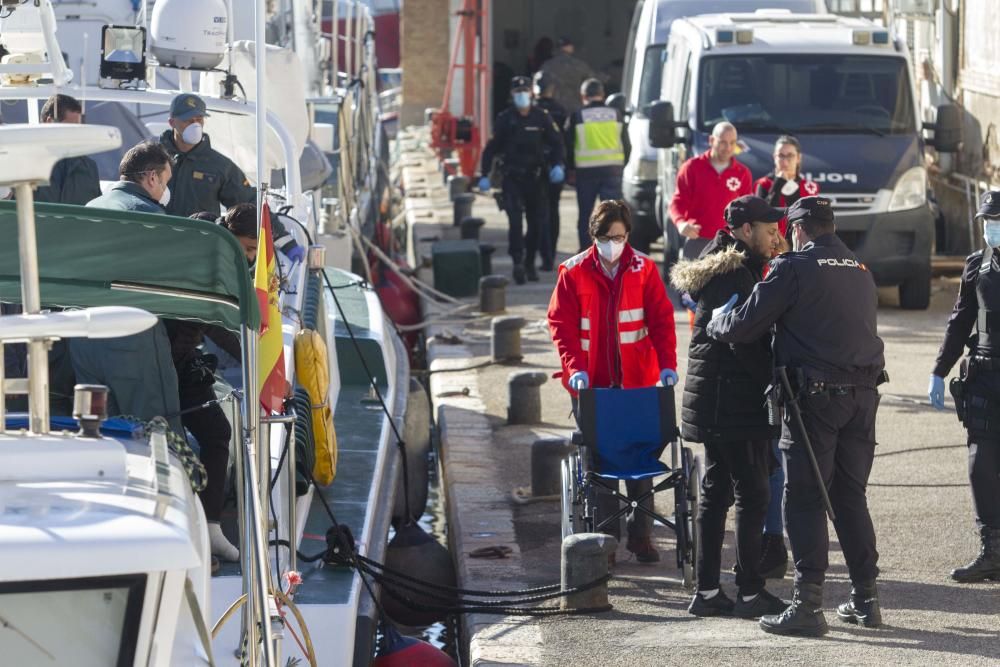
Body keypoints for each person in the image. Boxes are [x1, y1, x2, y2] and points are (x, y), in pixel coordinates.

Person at [707, 196, 886, 636]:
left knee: (804, 497)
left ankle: (808, 605)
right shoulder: (861, 271)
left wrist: (716, 323)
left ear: (800, 229)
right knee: (849, 497)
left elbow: (746, 324)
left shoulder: (793, 267)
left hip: (815, 402)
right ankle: (866, 599)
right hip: (863, 399)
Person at [670, 195, 785, 618]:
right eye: (768, 230)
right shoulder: (732, 273)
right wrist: (774, 381)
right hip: (729, 401)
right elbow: (741, 339)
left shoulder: (732, 265)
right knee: (752, 492)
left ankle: (707, 592)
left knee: (717, 490)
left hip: (720, 401)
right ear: (743, 230)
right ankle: (750, 592)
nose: (776, 238)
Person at [547, 200, 678, 563]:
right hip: (592, 386)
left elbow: (662, 320)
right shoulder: (573, 272)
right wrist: (574, 368)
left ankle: (641, 535)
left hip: (637, 382)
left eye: (619, 237)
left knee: (640, 455)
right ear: (594, 236)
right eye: (606, 237)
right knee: (601, 465)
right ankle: (605, 540)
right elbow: (561, 326)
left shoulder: (644, 269)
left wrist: (667, 364)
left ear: (628, 236)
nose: (613, 244)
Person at [159, 213, 248, 562]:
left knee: (215, 433)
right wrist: (252, 354)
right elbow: (214, 321)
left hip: (183, 365)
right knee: (194, 438)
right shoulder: (197, 267)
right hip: (163, 368)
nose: (251, 257)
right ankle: (202, 528)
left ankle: (209, 526)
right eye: (249, 248)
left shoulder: (207, 258)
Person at [928, 190, 1000, 584]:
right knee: (981, 465)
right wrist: (939, 370)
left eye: (997, 219)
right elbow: (960, 321)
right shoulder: (978, 265)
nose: (992, 227)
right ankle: (993, 550)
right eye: (987, 221)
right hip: (987, 376)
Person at [159, 93, 305, 262]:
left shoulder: (219, 166)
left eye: (199, 119)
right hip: (157, 245)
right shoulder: (151, 157)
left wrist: (285, 241)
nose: (195, 125)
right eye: (188, 120)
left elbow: (249, 203)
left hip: (200, 251)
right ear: (172, 122)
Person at [479, 76, 565, 284]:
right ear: (512, 95)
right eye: (517, 92)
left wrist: (558, 165)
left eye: (525, 91)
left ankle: (529, 263)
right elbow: (491, 148)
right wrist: (484, 174)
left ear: (531, 94)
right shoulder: (506, 119)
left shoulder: (542, 118)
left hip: (536, 180)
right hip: (512, 179)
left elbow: (557, 144)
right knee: (515, 223)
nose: (521, 95)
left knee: (536, 224)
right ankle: (517, 262)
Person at [669, 122, 752, 261]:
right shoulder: (691, 168)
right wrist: (681, 223)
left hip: (729, 245)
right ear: (711, 140)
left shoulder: (743, 173)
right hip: (697, 240)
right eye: (723, 142)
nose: (728, 147)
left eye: (732, 143)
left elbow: (747, 209)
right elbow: (678, 201)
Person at [567, 78, 629, 253]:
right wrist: (621, 165)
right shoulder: (616, 113)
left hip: (586, 172)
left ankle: (586, 252)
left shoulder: (578, 115)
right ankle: (614, 251)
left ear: (583, 96)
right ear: (602, 95)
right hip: (612, 171)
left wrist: (570, 168)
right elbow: (627, 144)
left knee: (586, 215)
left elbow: (568, 144)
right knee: (613, 215)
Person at [34, 94, 102, 205]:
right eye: (72, 128)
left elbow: (97, 210)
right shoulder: (24, 164)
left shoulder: (90, 168)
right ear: (50, 123)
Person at [754, 135, 819, 241]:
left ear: (798, 158)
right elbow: (762, 218)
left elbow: (809, 220)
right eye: (781, 155)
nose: (785, 161)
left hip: (799, 244)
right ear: (774, 157)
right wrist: (778, 184)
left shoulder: (810, 187)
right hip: (770, 244)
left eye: (790, 156)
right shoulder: (763, 184)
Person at [533, 70, 568, 259]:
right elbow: (564, 141)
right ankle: (550, 253)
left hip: (535, 168)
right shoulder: (560, 110)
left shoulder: (531, 110)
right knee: (552, 210)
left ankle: (543, 251)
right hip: (554, 166)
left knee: (536, 212)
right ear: (552, 89)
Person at [87, 140, 172, 213]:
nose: (165, 191)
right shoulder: (149, 213)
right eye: (165, 183)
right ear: (152, 178)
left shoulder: (91, 205)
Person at [539, 36, 599, 115]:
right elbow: (593, 82)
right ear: (570, 47)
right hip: (574, 108)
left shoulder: (547, 65)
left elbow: (540, 85)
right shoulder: (579, 65)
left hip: (554, 109)